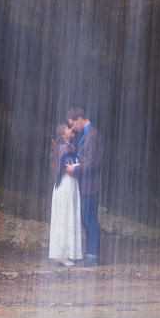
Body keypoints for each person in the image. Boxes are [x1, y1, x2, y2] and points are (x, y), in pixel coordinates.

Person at [65, 106, 102, 266]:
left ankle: (92, 257)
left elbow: (93, 163)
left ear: (80, 119)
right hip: (86, 184)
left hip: (91, 185)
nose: (72, 128)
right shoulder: (87, 134)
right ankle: (90, 255)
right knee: (87, 219)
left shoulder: (92, 135)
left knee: (90, 220)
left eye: (73, 124)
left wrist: (75, 168)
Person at [48, 123, 83, 266]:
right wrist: (81, 165)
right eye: (68, 129)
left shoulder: (65, 146)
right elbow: (65, 167)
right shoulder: (64, 148)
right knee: (65, 216)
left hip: (67, 184)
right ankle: (62, 253)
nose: (71, 129)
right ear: (63, 135)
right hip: (66, 183)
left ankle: (64, 252)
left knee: (66, 215)